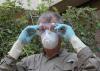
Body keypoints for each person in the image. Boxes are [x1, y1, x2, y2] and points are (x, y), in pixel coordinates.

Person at [0, 11, 100, 71]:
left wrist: (73, 38)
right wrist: (19, 44)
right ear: (38, 34)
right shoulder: (29, 62)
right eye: (43, 29)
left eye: (52, 28)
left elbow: (95, 67)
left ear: (62, 31)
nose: (47, 33)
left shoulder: (76, 61)